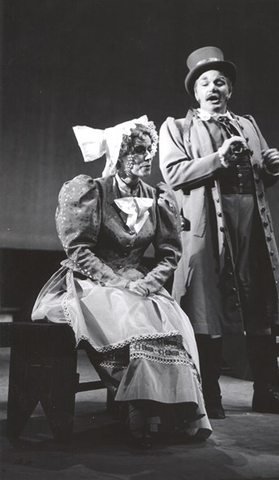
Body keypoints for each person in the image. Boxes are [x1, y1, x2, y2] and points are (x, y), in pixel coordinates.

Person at [32, 115, 212, 448]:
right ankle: (138, 409)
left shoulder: (158, 197)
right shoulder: (92, 190)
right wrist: (114, 281)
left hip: (136, 280)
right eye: (139, 151)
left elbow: (170, 253)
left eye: (150, 150)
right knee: (130, 318)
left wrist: (149, 282)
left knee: (172, 319)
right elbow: (78, 249)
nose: (148, 157)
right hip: (91, 279)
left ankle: (173, 412)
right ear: (119, 154)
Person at [159, 47, 279, 420]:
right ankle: (210, 397)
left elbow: (259, 175)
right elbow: (174, 174)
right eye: (205, 82)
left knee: (260, 306)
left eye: (220, 82)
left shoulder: (248, 124)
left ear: (230, 90)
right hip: (208, 229)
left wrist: (271, 169)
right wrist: (218, 159)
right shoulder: (176, 128)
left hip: (252, 227)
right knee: (205, 311)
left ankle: (268, 393)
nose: (213, 87)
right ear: (195, 92)